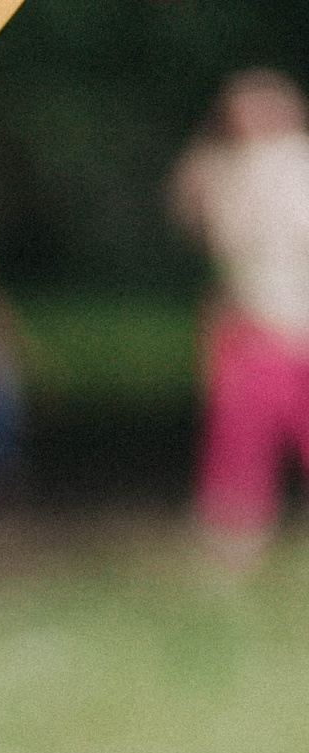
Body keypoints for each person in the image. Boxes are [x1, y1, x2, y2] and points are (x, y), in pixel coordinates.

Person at [172, 67, 309, 568]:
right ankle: (236, 531)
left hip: (286, 316)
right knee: (241, 435)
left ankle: (236, 530)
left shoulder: (287, 166)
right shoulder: (231, 172)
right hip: (256, 320)